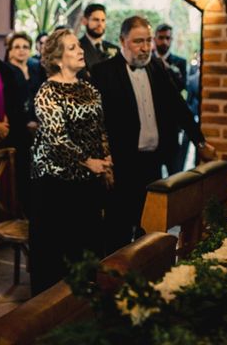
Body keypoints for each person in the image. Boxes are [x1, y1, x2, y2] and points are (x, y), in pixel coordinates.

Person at [91, 16, 216, 254]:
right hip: (121, 164)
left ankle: (144, 279)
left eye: (148, 40)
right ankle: (113, 283)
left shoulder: (157, 67)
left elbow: (179, 107)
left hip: (152, 162)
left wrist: (199, 141)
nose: (146, 47)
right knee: (117, 229)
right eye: (138, 41)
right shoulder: (102, 72)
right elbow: (96, 123)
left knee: (149, 228)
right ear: (122, 41)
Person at [30, 28, 112, 295]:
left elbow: (101, 128)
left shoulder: (88, 88)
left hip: (87, 181)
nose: (80, 51)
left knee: (87, 246)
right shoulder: (47, 92)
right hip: (55, 183)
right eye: (72, 48)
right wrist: (88, 161)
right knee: (56, 252)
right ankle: (49, 313)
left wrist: (106, 156)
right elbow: (57, 140)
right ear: (56, 58)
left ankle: (82, 309)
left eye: (79, 46)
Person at [153, 23, 189, 173]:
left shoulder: (180, 62)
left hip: (172, 125)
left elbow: (182, 86)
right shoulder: (147, 61)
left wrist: (167, 69)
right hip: (153, 123)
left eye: (168, 38)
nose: (164, 42)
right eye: (161, 38)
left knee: (174, 171)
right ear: (155, 39)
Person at [78, 3, 119, 71]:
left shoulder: (115, 49)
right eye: (96, 20)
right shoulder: (78, 47)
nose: (100, 24)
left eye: (103, 20)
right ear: (84, 21)